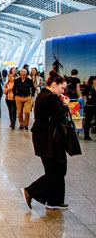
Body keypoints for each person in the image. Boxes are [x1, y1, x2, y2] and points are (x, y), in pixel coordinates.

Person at [22, 71, 71, 211]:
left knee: (56, 169)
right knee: (56, 171)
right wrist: (65, 105)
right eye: (62, 88)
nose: (63, 91)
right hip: (49, 140)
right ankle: (30, 191)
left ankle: (54, 200)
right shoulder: (50, 98)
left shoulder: (44, 96)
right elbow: (59, 116)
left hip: (45, 139)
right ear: (54, 85)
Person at [82, 76, 96, 141]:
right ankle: (86, 135)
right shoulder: (88, 87)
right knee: (88, 121)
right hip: (89, 106)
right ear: (93, 80)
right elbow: (84, 95)